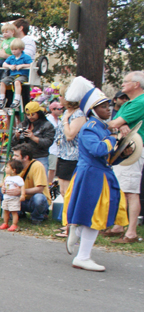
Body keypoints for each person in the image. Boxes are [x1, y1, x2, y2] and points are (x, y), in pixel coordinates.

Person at [63, 77, 131, 271]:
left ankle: (77, 235)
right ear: (93, 110)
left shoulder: (101, 128)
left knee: (93, 215)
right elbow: (99, 150)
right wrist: (113, 139)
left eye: (109, 105)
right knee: (94, 216)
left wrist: (121, 154)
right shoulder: (90, 128)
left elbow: (107, 157)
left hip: (99, 175)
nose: (108, 109)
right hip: (91, 176)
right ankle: (82, 256)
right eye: (103, 106)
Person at [104, 71, 144, 244]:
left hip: (133, 150)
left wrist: (116, 124)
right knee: (121, 187)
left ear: (136, 84)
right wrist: (122, 125)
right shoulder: (130, 103)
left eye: (126, 82)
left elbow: (114, 123)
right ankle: (119, 226)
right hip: (124, 148)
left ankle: (131, 233)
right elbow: (119, 124)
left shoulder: (140, 102)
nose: (122, 84)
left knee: (131, 191)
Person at [0, 143, 51, 224]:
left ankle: (37, 217)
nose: (13, 157)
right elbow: (6, 182)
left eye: (16, 156)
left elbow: (40, 189)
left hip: (32, 199)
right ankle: (16, 213)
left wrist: (21, 192)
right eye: (13, 155)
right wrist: (4, 188)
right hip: (18, 199)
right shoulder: (13, 166)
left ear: (26, 157)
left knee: (39, 198)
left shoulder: (37, 166)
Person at [12, 101, 55, 169]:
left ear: (39, 113)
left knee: (40, 178)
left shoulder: (47, 125)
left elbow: (48, 142)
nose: (30, 117)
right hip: (24, 157)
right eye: (28, 115)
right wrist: (16, 137)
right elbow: (13, 144)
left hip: (40, 157)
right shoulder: (23, 124)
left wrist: (33, 137)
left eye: (33, 114)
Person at [0, 39, 33, 110]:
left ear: (21, 49)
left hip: (22, 75)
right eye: (12, 49)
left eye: (15, 49)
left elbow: (31, 65)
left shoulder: (26, 57)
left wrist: (22, 65)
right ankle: (2, 99)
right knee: (2, 82)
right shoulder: (11, 58)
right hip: (12, 75)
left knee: (17, 82)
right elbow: (4, 64)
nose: (13, 51)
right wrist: (10, 66)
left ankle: (17, 99)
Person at [0, 159, 25, 231]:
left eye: (7, 167)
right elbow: (5, 184)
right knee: (5, 210)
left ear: (13, 170)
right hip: (6, 197)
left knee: (14, 211)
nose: (5, 168)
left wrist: (22, 195)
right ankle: (5, 223)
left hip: (14, 198)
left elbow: (22, 186)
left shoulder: (18, 179)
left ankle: (14, 224)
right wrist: (0, 185)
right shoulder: (7, 177)